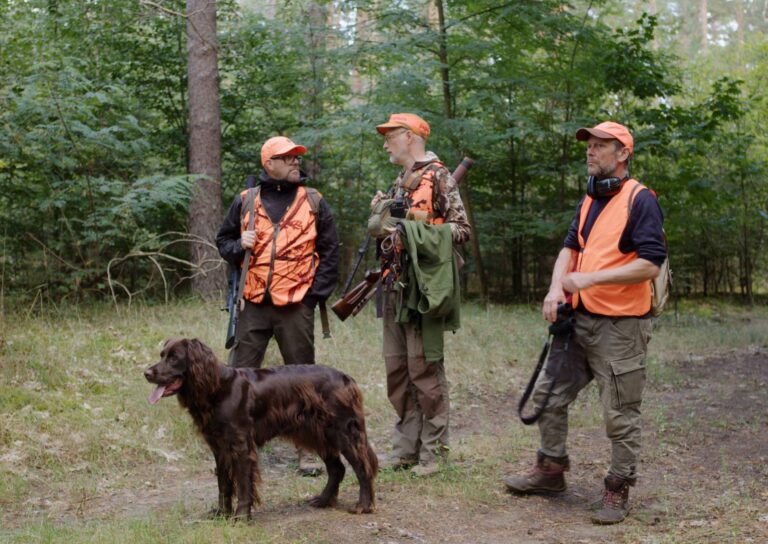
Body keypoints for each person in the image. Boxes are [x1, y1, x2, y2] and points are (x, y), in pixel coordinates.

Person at [503, 122, 667, 524]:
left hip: (622, 328)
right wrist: (555, 288)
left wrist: (589, 279)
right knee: (549, 395)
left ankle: (617, 489)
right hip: (579, 321)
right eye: (589, 146)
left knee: (620, 412)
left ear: (622, 154)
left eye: (600, 146)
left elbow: (650, 264)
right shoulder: (591, 198)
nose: (590, 152)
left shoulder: (640, 200)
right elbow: (569, 247)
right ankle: (551, 470)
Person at [216, 135, 340, 476]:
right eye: (287, 158)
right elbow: (222, 242)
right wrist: (239, 244)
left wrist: (314, 297)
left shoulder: (313, 200)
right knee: (238, 377)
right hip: (252, 303)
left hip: (296, 305)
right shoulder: (245, 200)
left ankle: (309, 450)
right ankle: (236, 443)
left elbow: (331, 252)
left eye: (297, 157)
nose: (295, 162)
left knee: (303, 380)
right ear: (268, 164)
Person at [371, 113, 471, 477]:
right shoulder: (401, 180)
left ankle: (434, 454)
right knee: (397, 369)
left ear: (411, 137)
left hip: (425, 289)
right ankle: (405, 450)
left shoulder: (440, 176)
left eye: (390, 136)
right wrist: (385, 214)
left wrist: (413, 228)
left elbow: (460, 230)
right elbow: (398, 226)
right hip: (394, 287)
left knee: (424, 370)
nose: (385, 143)